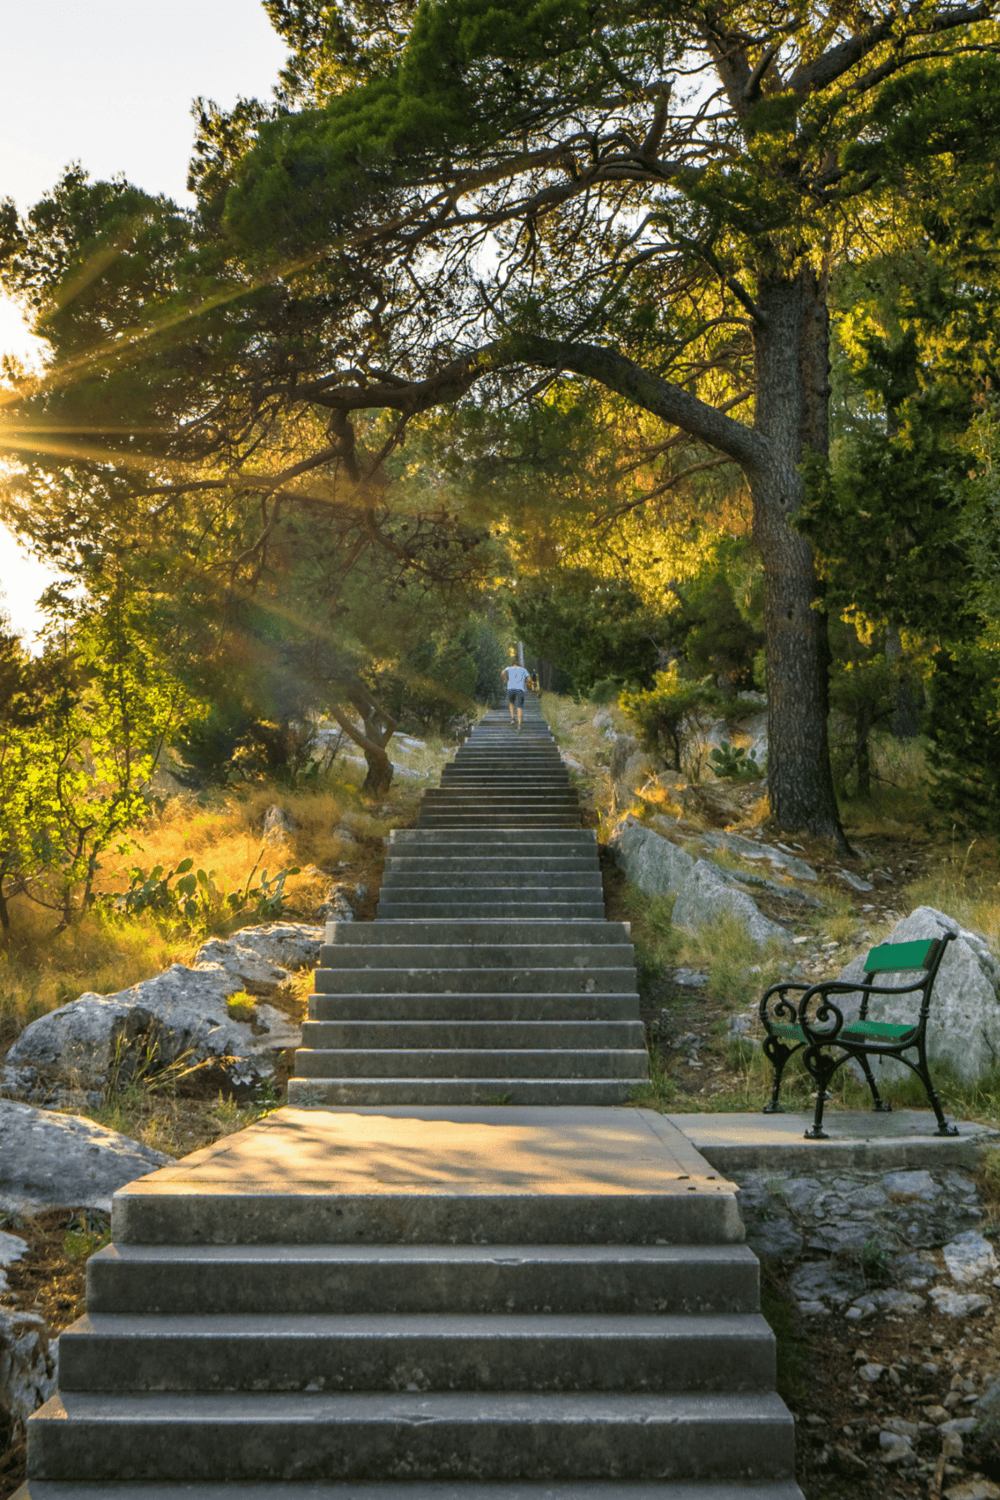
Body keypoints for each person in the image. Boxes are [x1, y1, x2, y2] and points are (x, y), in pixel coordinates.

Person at [501, 658, 532, 733]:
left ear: (513, 665)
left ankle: (512, 718)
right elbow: (529, 678)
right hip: (520, 689)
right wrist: (528, 684)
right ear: (518, 665)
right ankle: (519, 725)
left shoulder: (509, 668)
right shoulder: (523, 670)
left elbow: (502, 673)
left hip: (511, 688)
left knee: (511, 703)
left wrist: (505, 679)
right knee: (519, 707)